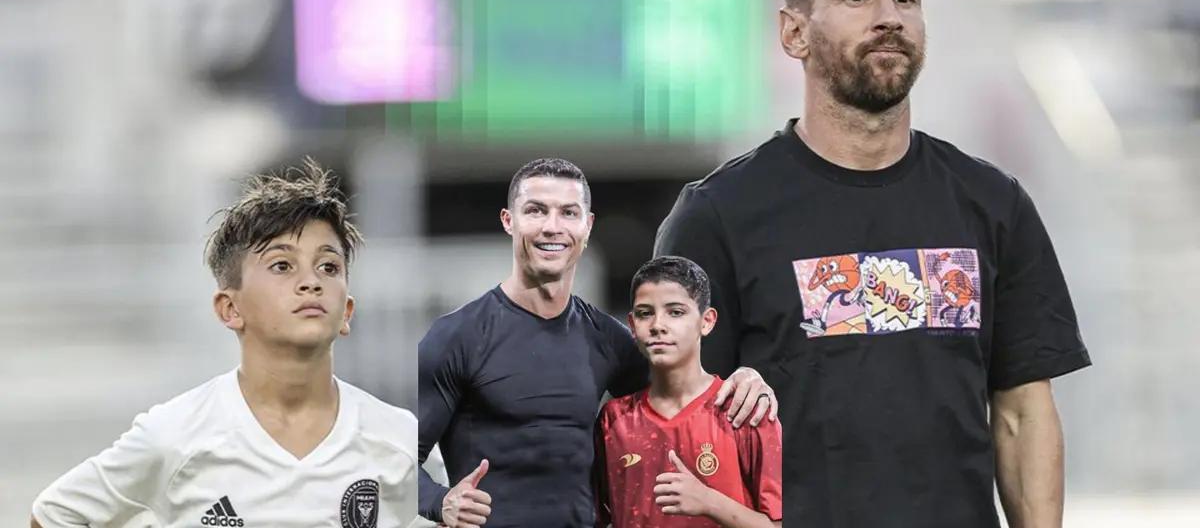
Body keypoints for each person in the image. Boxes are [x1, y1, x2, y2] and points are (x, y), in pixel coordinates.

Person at [654, 0, 1092, 526]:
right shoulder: (718, 217)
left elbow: (1022, 412)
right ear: (794, 33)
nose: (889, 16)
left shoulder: (992, 204)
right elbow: (678, 427)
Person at [31, 160, 417, 528]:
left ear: (346, 311)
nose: (311, 281)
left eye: (328, 267)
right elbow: (54, 515)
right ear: (230, 308)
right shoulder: (175, 436)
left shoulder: (401, 442)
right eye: (282, 265)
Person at [418, 159, 778, 528]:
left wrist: (747, 376)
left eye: (568, 213)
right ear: (509, 220)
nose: (552, 227)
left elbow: (686, 396)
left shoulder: (608, 340)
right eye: (536, 211)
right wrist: (441, 501)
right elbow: (399, 461)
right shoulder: (456, 338)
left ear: (587, 226)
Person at [594, 256, 783, 528]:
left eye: (676, 312)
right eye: (646, 313)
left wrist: (708, 501)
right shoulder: (613, 420)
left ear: (706, 322)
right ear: (632, 325)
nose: (658, 324)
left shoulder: (744, 409)